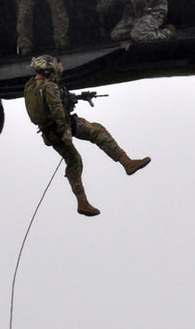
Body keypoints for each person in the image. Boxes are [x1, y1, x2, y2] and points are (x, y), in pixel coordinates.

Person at [23, 55, 149, 217]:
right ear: (48, 70)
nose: (56, 74)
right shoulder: (50, 87)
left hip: (49, 134)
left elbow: (44, 107)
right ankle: (127, 163)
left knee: (74, 161)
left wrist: (78, 98)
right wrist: (66, 132)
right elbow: (57, 110)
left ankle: (82, 202)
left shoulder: (30, 86)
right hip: (63, 126)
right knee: (97, 131)